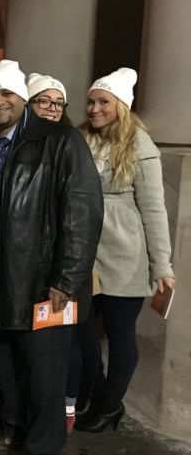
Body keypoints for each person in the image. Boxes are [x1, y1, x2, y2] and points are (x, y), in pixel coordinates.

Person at [0, 60, 103, 455]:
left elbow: (82, 209)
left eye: (6, 94)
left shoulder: (58, 140)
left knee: (44, 375)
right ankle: (15, 431)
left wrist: (67, 277)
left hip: (42, 283)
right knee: (9, 365)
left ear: (23, 98)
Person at [75, 67, 174, 433]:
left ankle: (110, 403)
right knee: (80, 327)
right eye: (91, 101)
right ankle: (94, 389)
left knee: (119, 333)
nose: (95, 108)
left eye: (104, 102)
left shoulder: (139, 146)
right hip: (86, 253)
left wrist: (161, 264)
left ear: (122, 106)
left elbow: (154, 209)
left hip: (124, 255)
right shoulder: (81, 138)